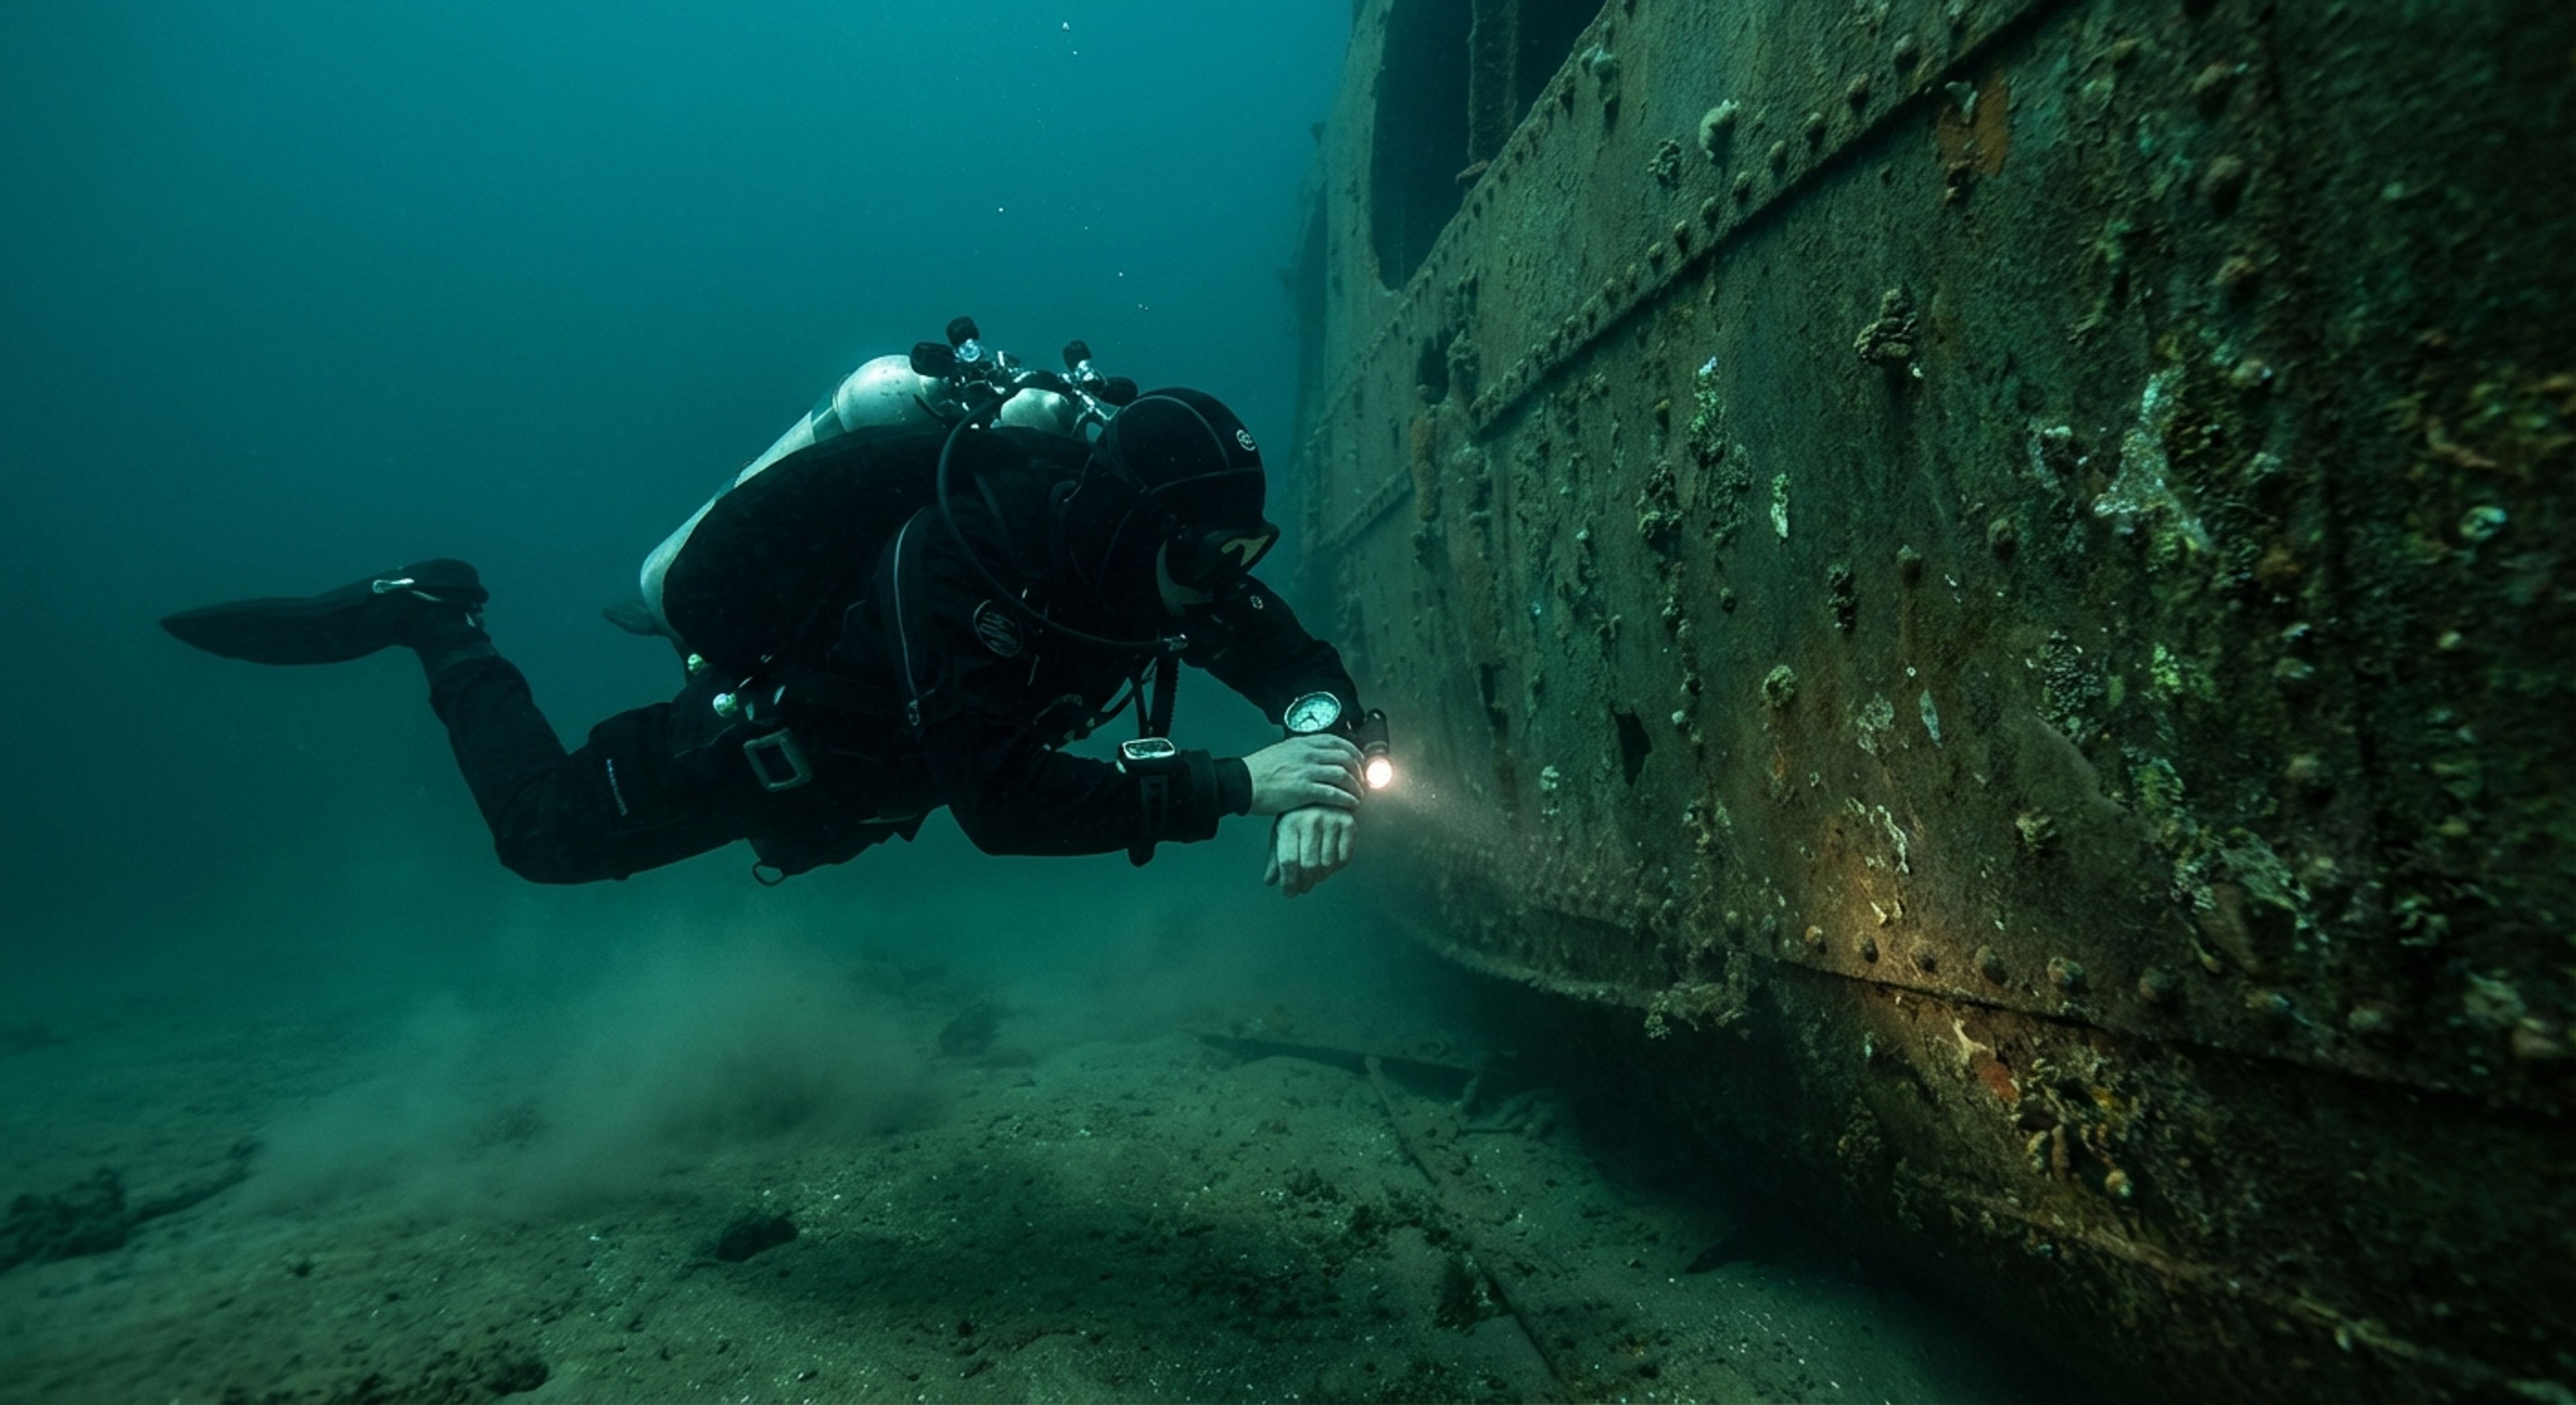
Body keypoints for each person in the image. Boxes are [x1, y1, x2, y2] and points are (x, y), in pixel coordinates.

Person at [162, 341, 1373, 895]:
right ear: (1124, 531)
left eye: (1245, 549)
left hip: (869, 787)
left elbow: (1295, 664)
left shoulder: (1157, 576)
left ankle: (438, 619)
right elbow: (1001, 804)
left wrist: (1327, 759)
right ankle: (435, 619)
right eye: (1210, 549)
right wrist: (1240, 787)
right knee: (541, 839)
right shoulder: (957, 566)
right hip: (761, 755)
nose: (1230, 575)